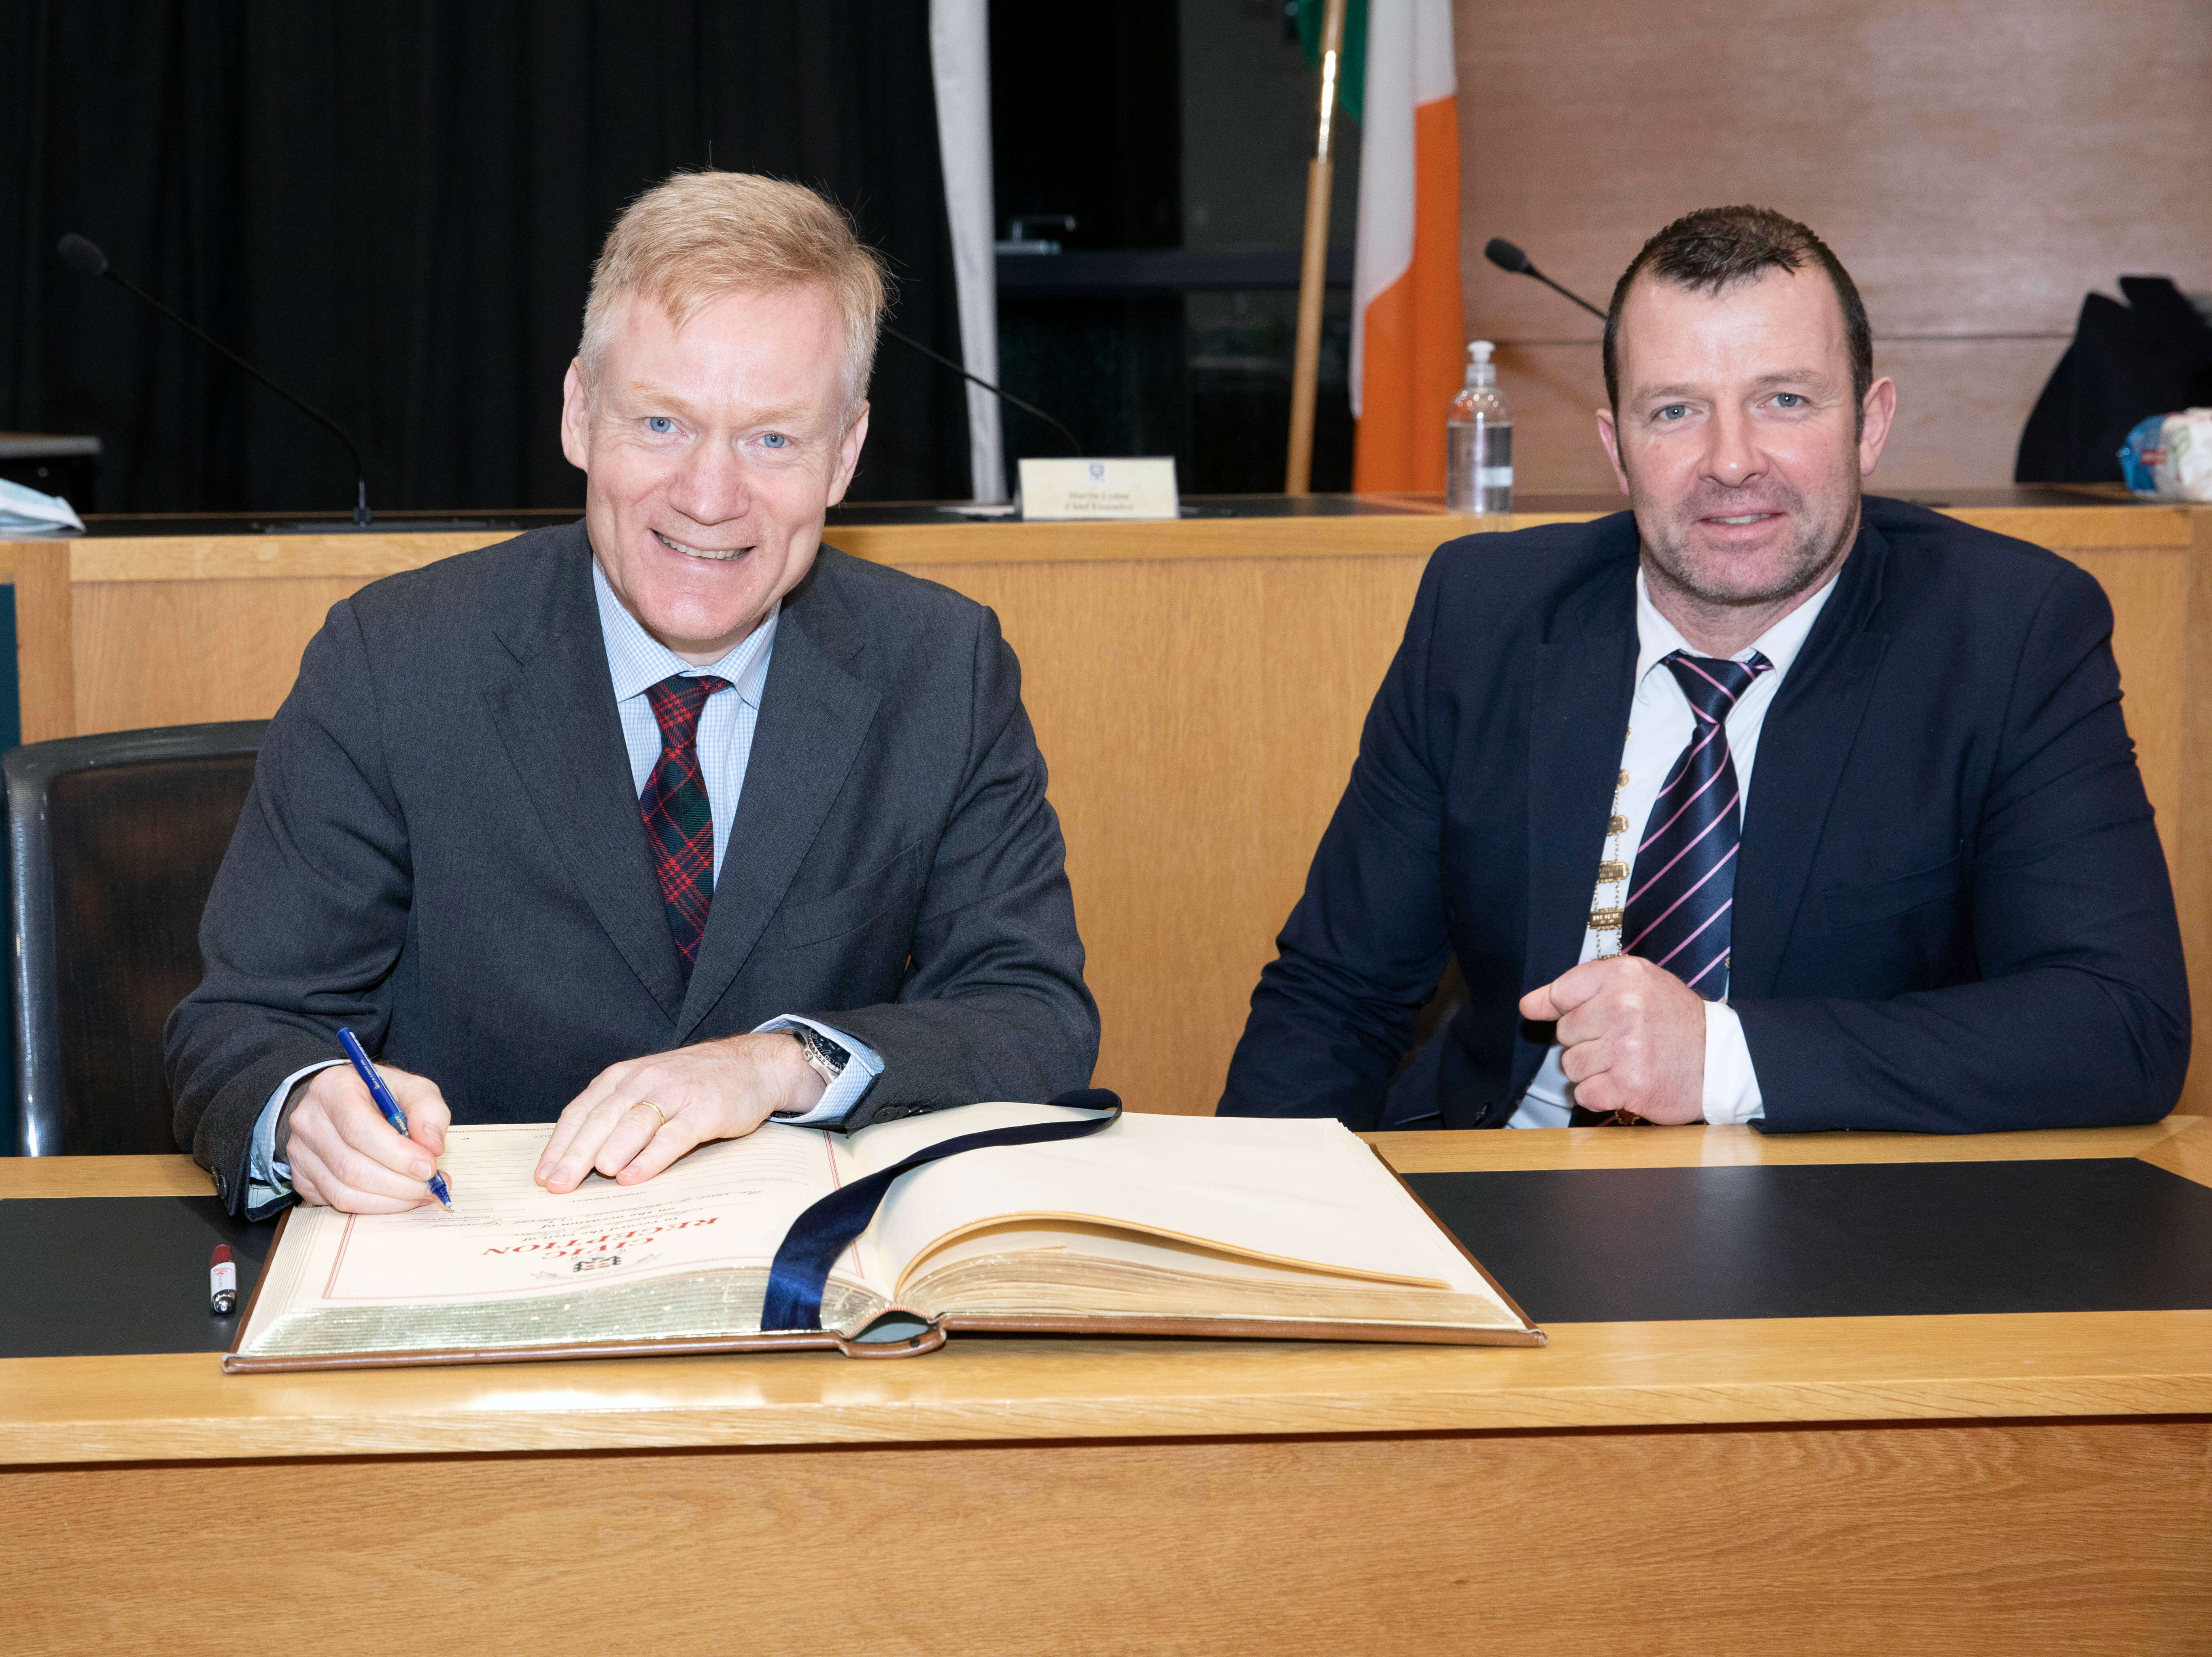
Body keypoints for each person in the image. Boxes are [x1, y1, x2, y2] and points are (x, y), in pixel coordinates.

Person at [168, 172, 1098, 1218]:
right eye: (662, 424)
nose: (709, 496)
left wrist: (783, 1063)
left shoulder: (943, 666)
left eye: (773, 439)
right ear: (579, 414)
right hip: (468, 1288)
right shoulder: (393, 660)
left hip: (804, 1296)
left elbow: (1031, 1015)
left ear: (844, 454)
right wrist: (306, 1113)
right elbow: (242, 1024)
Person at [1220, 204, 2187, 1134]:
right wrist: (1246, 1251)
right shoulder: (1484, 615)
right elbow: (1334, 993)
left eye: (1785, 400)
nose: (1732, 461)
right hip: (1505, 1172)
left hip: (1843, 1222)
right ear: (1617, 447)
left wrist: (1722, 1061)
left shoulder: (2009, 633)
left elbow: (2118, 1022)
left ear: (1870, 423)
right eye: (1676, 410)